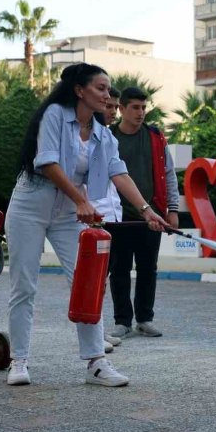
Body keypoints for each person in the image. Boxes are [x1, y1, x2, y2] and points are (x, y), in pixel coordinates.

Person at [5, 63, 168, 387]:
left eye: (109, 90)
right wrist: (80, 200)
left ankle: (96, 363)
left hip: (67, 212)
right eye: (101, 88)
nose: (108, 96)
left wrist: (147, 211)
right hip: (30, 206)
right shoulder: (54, 116)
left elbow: (118, 173)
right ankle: (19, 360)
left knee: (87, 281)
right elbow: (47, 162)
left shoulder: (102, 134)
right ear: (80, 90)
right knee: (24, 285)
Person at [107, 87, 180, 340]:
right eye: (135, 107)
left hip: (153, 216)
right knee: (119, 268)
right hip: (118, 217)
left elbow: (168, 174)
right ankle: (122, 321)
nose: (141, 112)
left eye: (143, 107)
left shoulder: (156, 137)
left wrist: (172, 209)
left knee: (149, 267)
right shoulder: (108, 137)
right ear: (122, 109)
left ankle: (145, 319)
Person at [90, 87, 124, 351]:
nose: (113, 111)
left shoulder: (110, 138)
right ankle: (93, 336)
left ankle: (98, 331)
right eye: (109, 106)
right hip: (93, 219)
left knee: (103, 279)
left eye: (115, 106)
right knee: (93, 280)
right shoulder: (86, 137)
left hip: (113, 218)